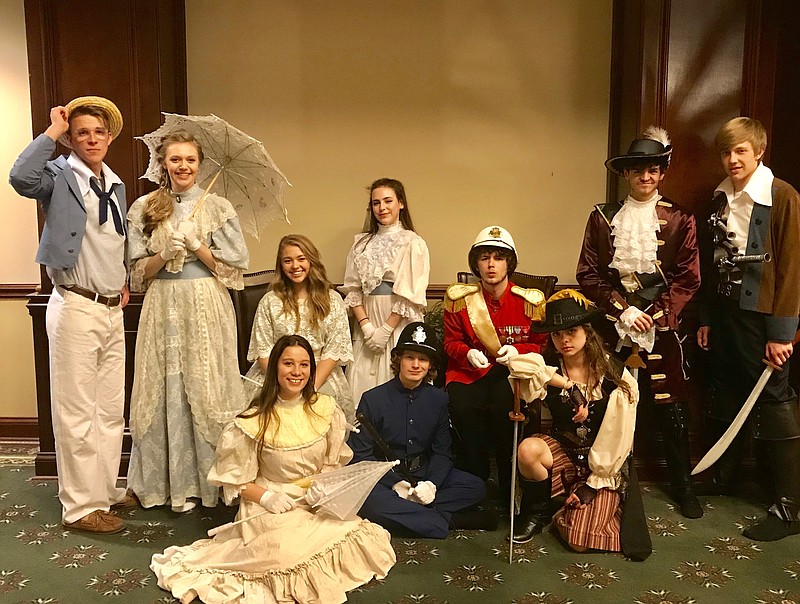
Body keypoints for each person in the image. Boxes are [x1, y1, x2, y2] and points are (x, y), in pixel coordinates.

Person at [151, 335, 396, 604]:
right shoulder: (253, 420)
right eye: (288, 363)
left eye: (304, 365)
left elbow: (331, 462)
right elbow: (236, 481)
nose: (296, 372)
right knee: (284, 554)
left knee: (356, 533)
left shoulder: (326, 409)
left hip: (314, 499)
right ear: (275, 368)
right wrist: (267, 497)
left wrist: (323, 489)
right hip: (271, 503)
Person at [9, 96, 134, 534]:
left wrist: (124, 279)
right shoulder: (60, 176)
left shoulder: (114, 184)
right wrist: (52, 132)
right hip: (76, 304)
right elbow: (20, 177)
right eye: (82, 132)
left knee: (110, 409)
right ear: (72, 137)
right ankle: (81, 507)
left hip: (110, 308)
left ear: (110, 136)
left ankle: (103, 489)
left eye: (99, 132)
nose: (91, 139)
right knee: (77, 411)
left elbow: (113, 242)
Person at [576, 126, 703, 519]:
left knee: (670, 407)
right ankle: (600, 480)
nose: (645, 178)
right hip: (613, 328)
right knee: (608, 400)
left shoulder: (680, 218)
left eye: (652, 170)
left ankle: (683, 486)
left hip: (659, 329)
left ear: (661, 173)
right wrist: (620, 308)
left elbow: (688, 277)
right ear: (626, 175)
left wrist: (655, 313)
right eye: (637, 171)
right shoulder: (602, 217)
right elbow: (588, 274)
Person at [126, 130, 249, 512]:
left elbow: (232, 272)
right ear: (163, 163)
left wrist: (198, 246)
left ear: (200, 164)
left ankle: (209, 485)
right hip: (163, 303)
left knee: (206, 382)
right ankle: (168, 485)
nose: (183, 166)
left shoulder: (218, 207)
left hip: (206, 304)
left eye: (190, 160)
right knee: (166, 386)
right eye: (175, 159)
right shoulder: (144, 207)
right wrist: (164, 252)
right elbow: (137, 274)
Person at [696, 117, 800, 541]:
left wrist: (782, 333)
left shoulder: (783, 196)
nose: (732, 159)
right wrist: (706, 318)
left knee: (774, 401)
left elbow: (793, 268)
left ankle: (790, 507)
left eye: (740, 150)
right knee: (730, 390)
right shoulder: (719, 196)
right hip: (726, 315)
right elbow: (708, 259)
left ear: (759, 151)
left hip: (764, 320)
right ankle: (728, 478)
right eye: (726, 151)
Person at [502, 290, 645, 557]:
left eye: (572, 331)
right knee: (528, 449)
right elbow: (518, 366)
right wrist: (568, 385)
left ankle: (573, 508)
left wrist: (592, 485)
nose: (564, 340)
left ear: (587, 332)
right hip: (564, 455)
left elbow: (619, 440)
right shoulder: (549, 366)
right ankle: (538, 513)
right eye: (557, 334)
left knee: (579, 542)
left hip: (604, 466)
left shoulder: (615, 376)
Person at [349, 322, 495, 538]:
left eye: (423, 359)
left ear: (430, 366)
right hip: (386, 477)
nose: (415, 365)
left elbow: (442, 452)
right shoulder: (372, 399)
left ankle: (409, 513)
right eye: (409, 357)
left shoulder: (438, 399)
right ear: (398, 360)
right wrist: (395, 483)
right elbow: (360, 457)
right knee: (368, 502)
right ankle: (451, 520)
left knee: (476, 487)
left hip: (424, 472)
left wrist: (432, 485)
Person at [443, 225, 548, 500]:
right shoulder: (460, 299)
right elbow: (450, 343)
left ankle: (509, 488)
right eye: (484, 258)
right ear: (475, 263)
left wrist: (519, 350)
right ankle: (474, 487)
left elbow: (542, 345)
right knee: (463, 407)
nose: (491, 265)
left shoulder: (528, 301)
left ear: (509, 263)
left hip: (510, 374)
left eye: (498, 258)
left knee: (505, 410)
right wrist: (465, 353)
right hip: (469, 373)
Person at [246, 234, 354, 421]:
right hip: (275, 374)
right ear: (281, 265)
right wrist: (282, 383)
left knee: (324, 412)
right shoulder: (270, 301)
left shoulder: (333, 300)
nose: (295, 266)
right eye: (288, 261)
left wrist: (309, 386)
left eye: (301, 259)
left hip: (319, 375)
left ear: (311, 261)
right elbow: (263, 350)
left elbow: (333, 351)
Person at [342, 178, 430, 407]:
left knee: (395, 384)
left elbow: (409, 294)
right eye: (376, 203)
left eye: (388, 201)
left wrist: (385, 331)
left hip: (397, 323)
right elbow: (353, 288)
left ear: (400, 203)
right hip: (367, 322)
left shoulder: (413, 242)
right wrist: (367, 327)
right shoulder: (360, 244)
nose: (382, 208)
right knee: (362, 384)